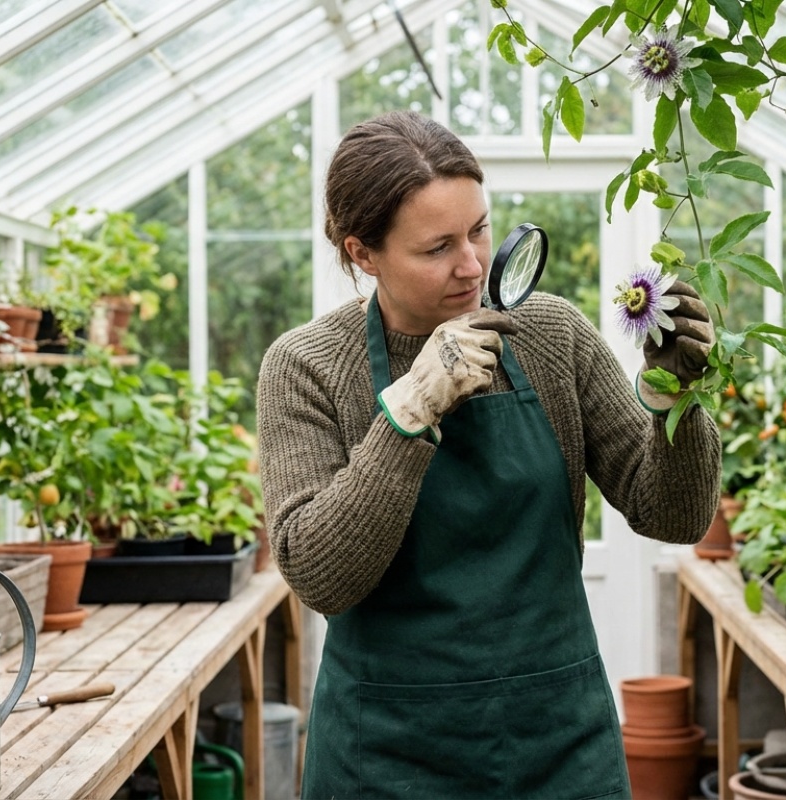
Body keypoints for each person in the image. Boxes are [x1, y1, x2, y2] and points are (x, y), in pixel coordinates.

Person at [257, 109, 721, 799]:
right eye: (436, 247)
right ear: (363, 253)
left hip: (558, 740)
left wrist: (673, 399)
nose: (472, 265)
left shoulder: (550, 335)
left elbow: (673, 517)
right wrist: (410, 413)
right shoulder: (306, 366)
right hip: (385, 753)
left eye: (478, 229)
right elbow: (321, 578)